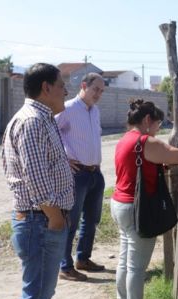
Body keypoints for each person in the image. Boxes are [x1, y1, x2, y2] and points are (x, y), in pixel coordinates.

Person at [2, 63, 77, 299]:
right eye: (61, 85)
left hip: (42, 220)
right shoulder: (32, 121)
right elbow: (36, 178)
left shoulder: (40, 119)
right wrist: (55, 217)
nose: (66, 91)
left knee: (44, 293)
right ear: (46, 88)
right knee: (34, 297)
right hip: (40, 221)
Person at [111, 99, 178, 299]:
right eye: (158, 124)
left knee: (125, 260)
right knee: (136, 267)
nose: (158, 130)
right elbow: (176, 155)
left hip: (120, 203)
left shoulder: (124, 140)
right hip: (137, 208)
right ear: (147, 120)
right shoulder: (143, 141)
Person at [56, 72, 107, 282]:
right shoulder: (67, 109)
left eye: (102, 91)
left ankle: (83, 259)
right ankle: (65, 266)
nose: (98, 94)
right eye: (96, 89)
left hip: (95, 173)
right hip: (77, 175)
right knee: (71, 221)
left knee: (91, 220)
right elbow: (50, 132)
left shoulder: (94, 111)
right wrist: (63, 159)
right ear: (84, 85)